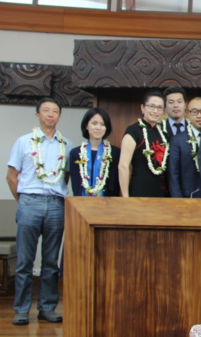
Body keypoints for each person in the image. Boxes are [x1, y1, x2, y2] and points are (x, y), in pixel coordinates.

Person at [6, 97, 73, 325]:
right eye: (46, 110)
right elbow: (11, 176)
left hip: (55, 204)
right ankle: (22, 310)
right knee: (25, 261)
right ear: (38, 115)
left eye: (55, 111)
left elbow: (64, 178)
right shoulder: (24, 142)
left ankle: (47, 308)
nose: (51, 114)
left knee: (51, 261)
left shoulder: (68, 145)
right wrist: (24, 200)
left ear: (59, 116)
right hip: (29, 203)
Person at [119, 90, 170, 197]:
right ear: (142, 107)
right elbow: (123, 166)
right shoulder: (133, 131)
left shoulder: (164, 134)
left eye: (159, 107)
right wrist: (125, 197)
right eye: (151, 106)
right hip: (139, 191)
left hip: (162, 192)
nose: (155, 111)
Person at [69, 108, 121, 196]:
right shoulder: (76, 153)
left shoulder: (115, 153)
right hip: (82, 202)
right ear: (86, 126)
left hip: (107, 202)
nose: (98, 128)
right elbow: (75, 184)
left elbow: (115, 183)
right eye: (94, 123)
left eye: (102, 124)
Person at [168, 96, 201, 198]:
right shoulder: (178, 140)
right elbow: (173, 174)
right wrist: (178, 201)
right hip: (189, 196)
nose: (199, 116)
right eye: (194, 112)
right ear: (187, 114)